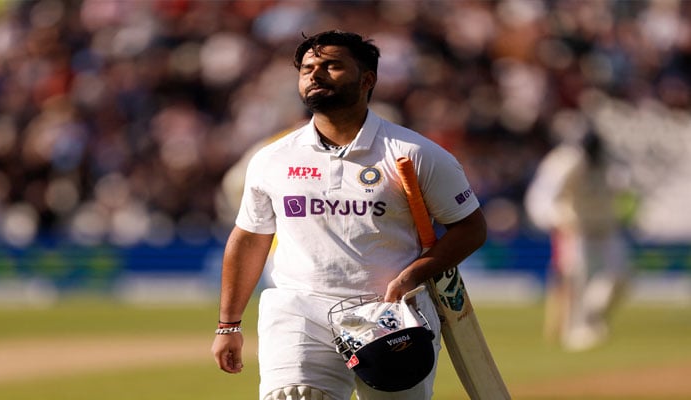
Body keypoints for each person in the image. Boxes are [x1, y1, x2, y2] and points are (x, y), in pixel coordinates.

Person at [211, 30, 487, 400]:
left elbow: (470, 227)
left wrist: (414, 275)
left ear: (367, 79)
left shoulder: (416, 153)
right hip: (300, 311)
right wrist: (228, 325)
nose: (316, 74)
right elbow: (249, 238)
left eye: (333, 66)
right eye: (308, 68)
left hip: (392, 314)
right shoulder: (272, 158)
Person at [525, 129, 631, 352]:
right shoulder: (564, 162)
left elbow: (623, 186)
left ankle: (592, 318)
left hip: (606, 225)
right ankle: (574, 331)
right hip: (576, 227)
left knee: (620, 275)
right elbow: (541, 196)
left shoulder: (610, 160)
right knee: (577, 275)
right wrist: (556, 220)